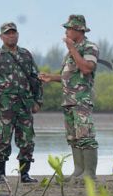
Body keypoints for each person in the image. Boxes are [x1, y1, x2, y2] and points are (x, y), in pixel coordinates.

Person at [39, 15, 99, 181]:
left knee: (86, 136)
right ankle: (78, 170)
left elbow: (87, 69)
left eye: (68, 29)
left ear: (78, 30)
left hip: (81, 101)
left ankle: (89, 174)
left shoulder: (89, 47)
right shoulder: (72, 50)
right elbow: (70, 76)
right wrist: (51, 77)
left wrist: (72, 49)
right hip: (69, 101)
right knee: (73, 137)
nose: (66, 32)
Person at [0, 22, 43, 184]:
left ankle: (25, 175)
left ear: (17, 35)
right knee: (3, 139)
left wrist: (37, 101)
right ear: (1, 37)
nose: (11, 36)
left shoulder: (26, 55)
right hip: (5, 105)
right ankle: (0, 175)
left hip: (25, 104)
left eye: (13, 33)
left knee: (27, 139)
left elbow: (35, 78)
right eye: (7, 33)